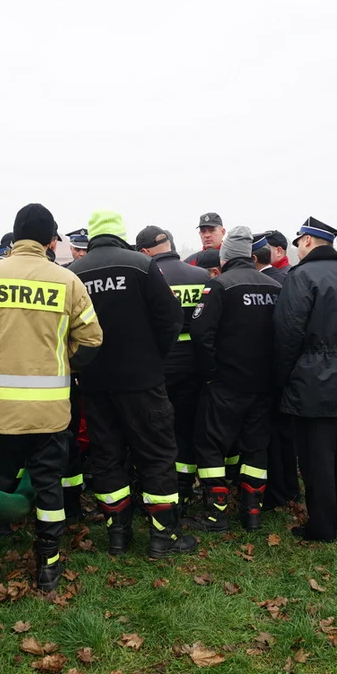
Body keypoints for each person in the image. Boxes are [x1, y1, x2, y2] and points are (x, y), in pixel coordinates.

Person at [0, 204, 103, 591]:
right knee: (49, 487)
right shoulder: (67, 282)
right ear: (51, 240)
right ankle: (48, 568)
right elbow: (92, 339)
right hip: (49, 412)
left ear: (14, 237)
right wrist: (65, 366)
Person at [69, 212, 196, 559]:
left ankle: (118, 537)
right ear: (121, 234)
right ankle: (163, 537)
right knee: (156, 454)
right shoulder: (141, 265)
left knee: (106, 457)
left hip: (94, 383)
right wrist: (154, 357)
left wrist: (80, 366)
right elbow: (171, 317)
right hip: (143, 381)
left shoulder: (73, 274)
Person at [274, 217, 337, 542]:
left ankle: (321, 526)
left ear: (306, 241)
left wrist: (282, 377)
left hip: (312, 380)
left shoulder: (300, 277)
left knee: (317, 458)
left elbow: (287, 334)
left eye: (298, 241)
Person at [187, 227, 281, 532]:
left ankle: (216, 513)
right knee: (255, 447)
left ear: (224, 257)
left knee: (210, 443)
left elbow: (200, 334)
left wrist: (211, 374)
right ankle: (252, 512)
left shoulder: (219, 286)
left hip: (226, 384)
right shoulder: (274, 287)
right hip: (263, 384)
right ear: (252, 257)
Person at [135, 224, 210, 510]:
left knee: (157, 431)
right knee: (187, 427)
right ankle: (184, 487)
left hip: (160, 365)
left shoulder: (148, 278)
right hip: (193, 365)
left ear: (144, 251)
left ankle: (155, 487)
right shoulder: (200, 275)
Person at [251, 232, 300, 509]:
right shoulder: (285, 280)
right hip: (283, 368)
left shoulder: (272, 282)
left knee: (273, 436)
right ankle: (289, 489)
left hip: (268, 370)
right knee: (284, 436)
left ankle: (277, 491)